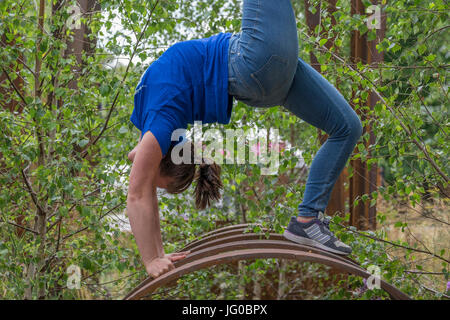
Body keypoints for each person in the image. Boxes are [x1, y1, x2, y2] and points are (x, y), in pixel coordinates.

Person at [127, 0, 363, 279]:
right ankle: (308, 222)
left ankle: (308, 218)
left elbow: (141, 189)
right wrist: (154, 257)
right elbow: (141, 193)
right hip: (254, 63)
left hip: (260, 74)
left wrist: (157, 254)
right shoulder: (162, 124)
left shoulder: (157, 126)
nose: (141, 170)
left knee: (347, 127)